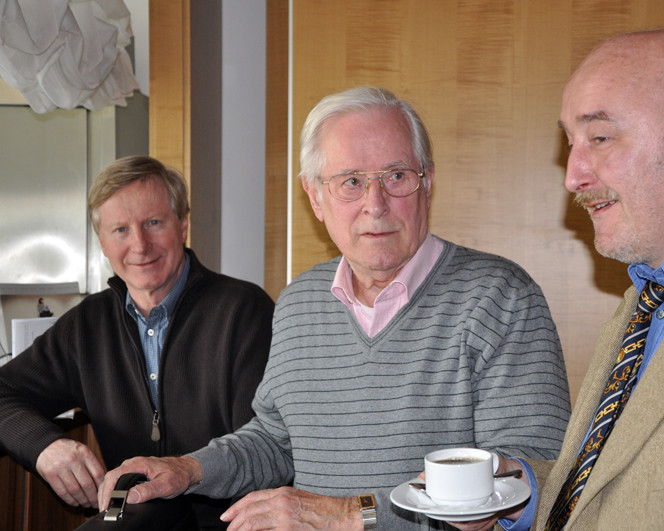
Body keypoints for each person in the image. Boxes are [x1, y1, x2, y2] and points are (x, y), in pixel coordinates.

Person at [97, 86, 572, 529]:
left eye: (396, 176)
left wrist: (349, 515)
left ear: (427, 182)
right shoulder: (300, 302)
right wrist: (188, 468)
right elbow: (276, 441)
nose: (376, 204)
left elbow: (528, 479)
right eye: (351, 181)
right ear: (316, 197)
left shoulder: (502, 297)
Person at [448, 27, 664, 531]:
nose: (573, 175)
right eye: (571, 143)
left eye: (600, 138)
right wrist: (521, 492)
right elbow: (638, 490)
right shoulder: (651, 294)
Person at [0, 155, 275, 528]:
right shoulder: (87, 324)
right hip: (135, 519)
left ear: (182, 225)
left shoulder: (244, 312)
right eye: (120, 230)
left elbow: (267, 451)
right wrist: (45, 446)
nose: (140, 245)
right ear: (102, 243)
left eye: (153, 223)